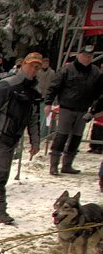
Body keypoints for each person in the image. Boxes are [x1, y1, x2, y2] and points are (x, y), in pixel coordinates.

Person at [0, 53, 43, 225]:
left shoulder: (33, 90)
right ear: (23, 64)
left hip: (13, 137)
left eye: (37, 67)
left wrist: (35, 141)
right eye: (31, 65)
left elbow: (34, 118)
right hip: (0, 137)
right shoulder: (7, 85)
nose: (33, 70)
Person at [45, 45, 103, 175]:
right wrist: (48, 103)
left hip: (83, 110)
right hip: (66, 108)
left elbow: (100, 93)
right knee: (61, 136)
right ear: (79, 55)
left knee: (76, 138)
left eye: (90, 56)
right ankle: (54, 165)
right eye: (85, 56)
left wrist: (93, 111)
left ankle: (67, 164)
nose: (87, 58)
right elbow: (54, 86)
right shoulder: (67, 69)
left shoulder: (96, 72)